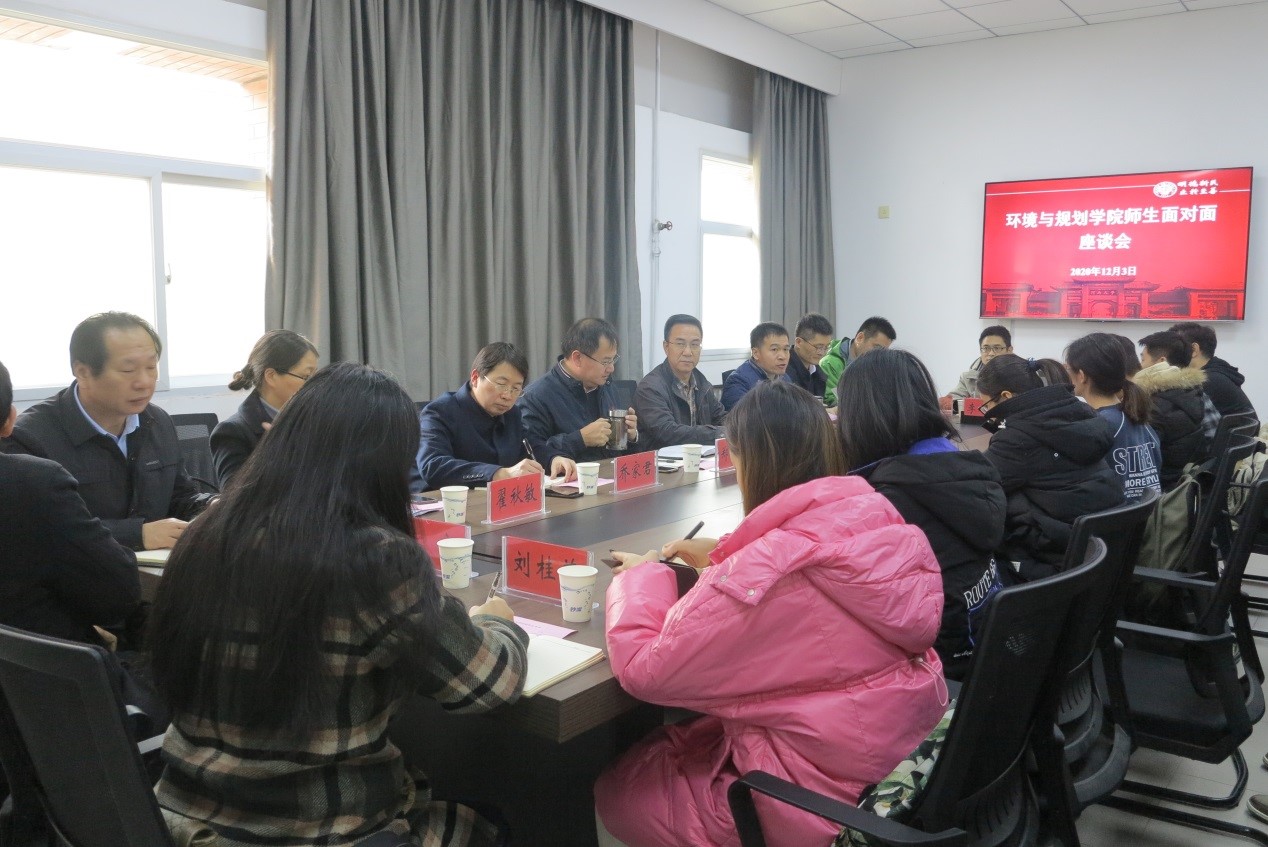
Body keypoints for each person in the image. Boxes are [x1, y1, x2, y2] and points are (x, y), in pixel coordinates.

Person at [149, 362, 528, 847]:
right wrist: (499, 625)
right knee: (493, 823)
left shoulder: (206, 532)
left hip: (181, 819)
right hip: (319, 830)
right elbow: (490, 684)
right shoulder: (376, 559)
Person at [596, 381, 946, 847]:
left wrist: (642, 575)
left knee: (618, 792)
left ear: (754, 463)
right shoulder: (877, 518)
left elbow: (644, 671)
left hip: (816, 804)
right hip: (894, 764)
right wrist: (729, 552)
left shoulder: (768, 574)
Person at [836, 348, 1006, 680]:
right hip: (987, 653)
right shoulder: (961, 466)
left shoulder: (885, 502)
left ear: (859, 417)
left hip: (936, 674)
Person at [8, 312, 213, 551]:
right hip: (79, 573)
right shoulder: (29, 438)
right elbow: (33, 531)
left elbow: (179, 498)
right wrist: (136, 535)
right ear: (83, 372)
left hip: (154, 569)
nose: (145, 382)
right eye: (128, 370)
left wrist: (212, 507)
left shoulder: (157, 421)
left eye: (151, 367)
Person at [977, 355, 1124, 583]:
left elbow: (979, 486)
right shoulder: (1081, 412)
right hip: (1097, 554)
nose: (989, 413)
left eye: (987, 406)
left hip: (1056, 567)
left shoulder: (1018, 439)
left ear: (1006, 396)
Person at [414, 342, 577, 490]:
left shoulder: (512, 414)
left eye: (516, 389)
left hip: (497, 503)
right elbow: (433, 465)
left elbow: (529, 446)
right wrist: (498, 474)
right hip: (445, 506)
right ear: (475, 378)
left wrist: (553, 459)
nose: (508, 396)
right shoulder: (439, 413)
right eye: (501, 385)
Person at [519, 318, 640, 463]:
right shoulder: (536, 397)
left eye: (613, 360)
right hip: (570, 476)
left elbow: (620, 454)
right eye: (606, 361)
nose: (611, 368)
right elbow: (532, 453)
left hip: (609, 473)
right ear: (577, 358)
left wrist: (631, 437)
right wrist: (581, 439)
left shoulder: (606, 385)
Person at [210, 329, 319, 488]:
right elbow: (233, 498)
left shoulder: (316, 419)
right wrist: (278, 454)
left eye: (316, 376)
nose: (315, 385)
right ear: (271, 376)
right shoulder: (232, 432)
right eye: (306, 377)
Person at [1065, 332, 1162, 501]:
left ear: (1081, 375)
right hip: (1146, 514)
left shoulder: (1099, 426)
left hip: (1115, 514)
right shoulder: (1138, 417)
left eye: (1068, 369)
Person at [1134, 331, 1215, 489]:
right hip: (1185, 486)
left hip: (1162, 490)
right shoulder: (1194, 392)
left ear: (1161, 363)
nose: (1139, 366)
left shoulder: (1155, 406)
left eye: (1143, 359)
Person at [632, 315, 726, 450]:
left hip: (698, 458)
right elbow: (668, 432)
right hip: (662, 460)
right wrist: (718, 433)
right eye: (680, 344)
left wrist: (740, 427)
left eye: (694, 344)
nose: (688, 352)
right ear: (666, 347)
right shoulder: (650, 388)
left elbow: (720, 417)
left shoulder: (702, 383)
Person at [1169, 321, 1256, 417]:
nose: (1167, 356)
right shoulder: (1219, 371)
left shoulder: (1206, 380)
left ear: (1194, 350)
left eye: (1174, 349)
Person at [819, 316, 896, 407]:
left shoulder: (877, 366)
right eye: (877, 348)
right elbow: (832, 401)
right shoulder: (830, 363)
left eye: (883, 351)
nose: (879, 354)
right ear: (860, 338)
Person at [720, 322, 790, 411]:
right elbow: (743, 417)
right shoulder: (738, 381)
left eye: (786, 349)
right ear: (755, 353)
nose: (783, 356)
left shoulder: (784, 378)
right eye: (774, 349)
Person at [943, 325, 1012, 402]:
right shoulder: (968, 378)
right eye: (986, 348)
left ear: (1009, 350)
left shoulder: (1020, 375)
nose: (991, 353)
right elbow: (951, 401)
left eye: (997, 348)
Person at [785, 312, 834, 401]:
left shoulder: (818, 373)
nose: (822, 352)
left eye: (826, 347)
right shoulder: (784, 370)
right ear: (799, 342)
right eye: (818, 347)